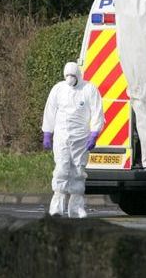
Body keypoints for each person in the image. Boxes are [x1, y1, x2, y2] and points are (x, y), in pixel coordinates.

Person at [42, 61, 104, 218]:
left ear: (78, 75)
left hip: (81, 137)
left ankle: (76, 207)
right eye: (67, 76)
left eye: (72, 76)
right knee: (61, 169)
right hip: (62, 136)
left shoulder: (88, 89)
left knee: (78, 170)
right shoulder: (58, 89)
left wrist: (94, 133)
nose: (70, 79)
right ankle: (56, 206)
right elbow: (50, 110)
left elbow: (97, 111)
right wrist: (47, 133)